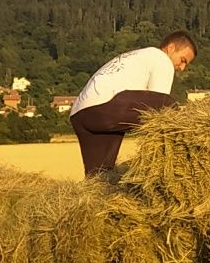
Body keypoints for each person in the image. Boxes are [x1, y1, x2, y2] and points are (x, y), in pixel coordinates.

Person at [69, 31, 196, 176]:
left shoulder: (137, 56)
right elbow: (161, 113)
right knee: (168, 104)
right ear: (171, 48)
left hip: (81, 114)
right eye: (183, 60)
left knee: (99, 177)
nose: (182, 67)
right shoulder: (161, 59)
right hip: (107, 106)